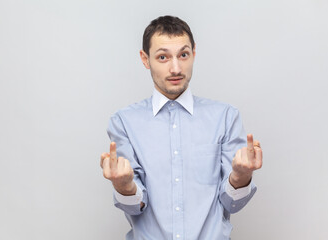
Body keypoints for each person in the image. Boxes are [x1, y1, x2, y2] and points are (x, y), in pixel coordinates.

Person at [100, 15, 263, 240]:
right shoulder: (124, 123)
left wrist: (241, 176)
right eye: (163, 57)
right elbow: (134, 206)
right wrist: (124, 185)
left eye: (183, 55)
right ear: (145, 59)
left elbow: (232, 204)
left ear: (193, 54)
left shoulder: (225, 117)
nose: (175, 68)